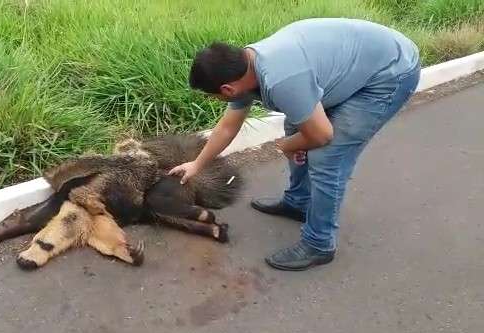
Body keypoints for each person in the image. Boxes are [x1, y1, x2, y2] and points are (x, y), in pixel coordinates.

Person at [169, 18, 421, 271]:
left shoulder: (281, 79)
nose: (215, 100)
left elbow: (322, 135)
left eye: (212, 96)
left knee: (327, 157)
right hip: (355, 61)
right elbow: (227, 127)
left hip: (390, 72)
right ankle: (299, 202)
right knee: (295, 127)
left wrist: (287, 146)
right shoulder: (243, 67)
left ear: (227, 89)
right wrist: (196, 164)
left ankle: (319, 244)